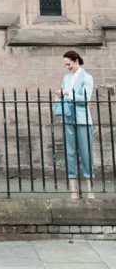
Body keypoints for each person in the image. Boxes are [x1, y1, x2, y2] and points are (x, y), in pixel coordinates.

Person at [57, 49, 95, 200]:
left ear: (76, 61)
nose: (67, 67)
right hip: (68, 118)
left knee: (86, 154)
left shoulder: (87, 77)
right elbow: (63, 93)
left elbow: (86, 98)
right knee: (70, 153)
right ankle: (73, 190)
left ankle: (90, 189)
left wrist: (67, 93)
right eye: (65, 65)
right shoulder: (66, 78)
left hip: (83, 120)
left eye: (68, 64)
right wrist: (59, 96)